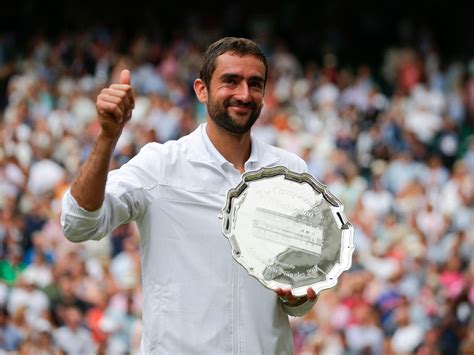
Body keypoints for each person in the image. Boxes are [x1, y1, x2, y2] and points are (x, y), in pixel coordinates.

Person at [61, 36, 317, 354]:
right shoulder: (161, 165)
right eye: (231, 81)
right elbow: (78, 223)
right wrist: (107, 137)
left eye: (255, 83)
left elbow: (300, 289)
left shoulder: (290, 169)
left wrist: (300, 294)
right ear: (201, 90)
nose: (244, 94)